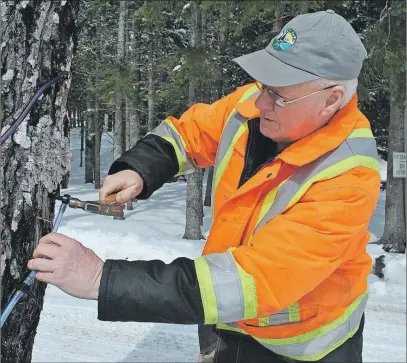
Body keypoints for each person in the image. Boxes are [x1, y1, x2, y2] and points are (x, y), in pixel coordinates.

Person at [28, 10, 381, 363]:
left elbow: (254, 280)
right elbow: (190, 134)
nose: (260, 102)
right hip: (224, 319)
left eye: (278, 94)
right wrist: (140, 168)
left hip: (295, 347)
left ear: (332, 99)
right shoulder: (254, 105)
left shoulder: (348, 178)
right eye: (263, 85)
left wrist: (101, 279)